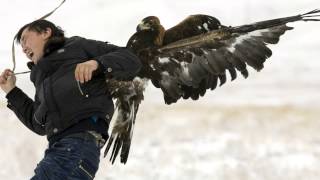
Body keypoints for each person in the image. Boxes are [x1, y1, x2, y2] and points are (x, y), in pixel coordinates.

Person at [0, 19, 142, 179]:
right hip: (58, 150)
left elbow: (131, 59)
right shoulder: (41, 78)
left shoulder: (76, 46)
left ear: (46, 32)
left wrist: (97, 63)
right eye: (21, 45)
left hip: (77, 146)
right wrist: (11, 92)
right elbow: (38, 124)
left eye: (25, 39)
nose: (24, 48)